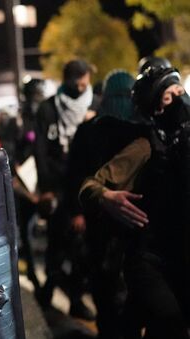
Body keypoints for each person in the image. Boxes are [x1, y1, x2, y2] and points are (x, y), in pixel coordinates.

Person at [80, 66, 190, 338]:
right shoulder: (147, 146)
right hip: (151, 260)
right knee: (169, 321)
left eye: (181, 92)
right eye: (169, 97)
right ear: (157, 110)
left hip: (183, 257)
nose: (180, 100)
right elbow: (90, 186)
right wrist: (106, 197)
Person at [66, 70, 147, 338]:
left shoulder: (90, 130)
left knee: (106, 290)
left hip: (100, 220)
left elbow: (74, 178)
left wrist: (80, 209)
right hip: (131, 225)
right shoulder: (143, 132)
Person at [34, 59, 99, 319]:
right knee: (58, 242)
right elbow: (40, 150)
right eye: (79, 80)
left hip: (85, 183)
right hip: (58, 185)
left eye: (85, 80)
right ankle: (50, 290)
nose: (83, 86)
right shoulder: (48, 108)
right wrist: (46, 188)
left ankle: (74, 297)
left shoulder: (95, 104)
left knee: (81, 247)